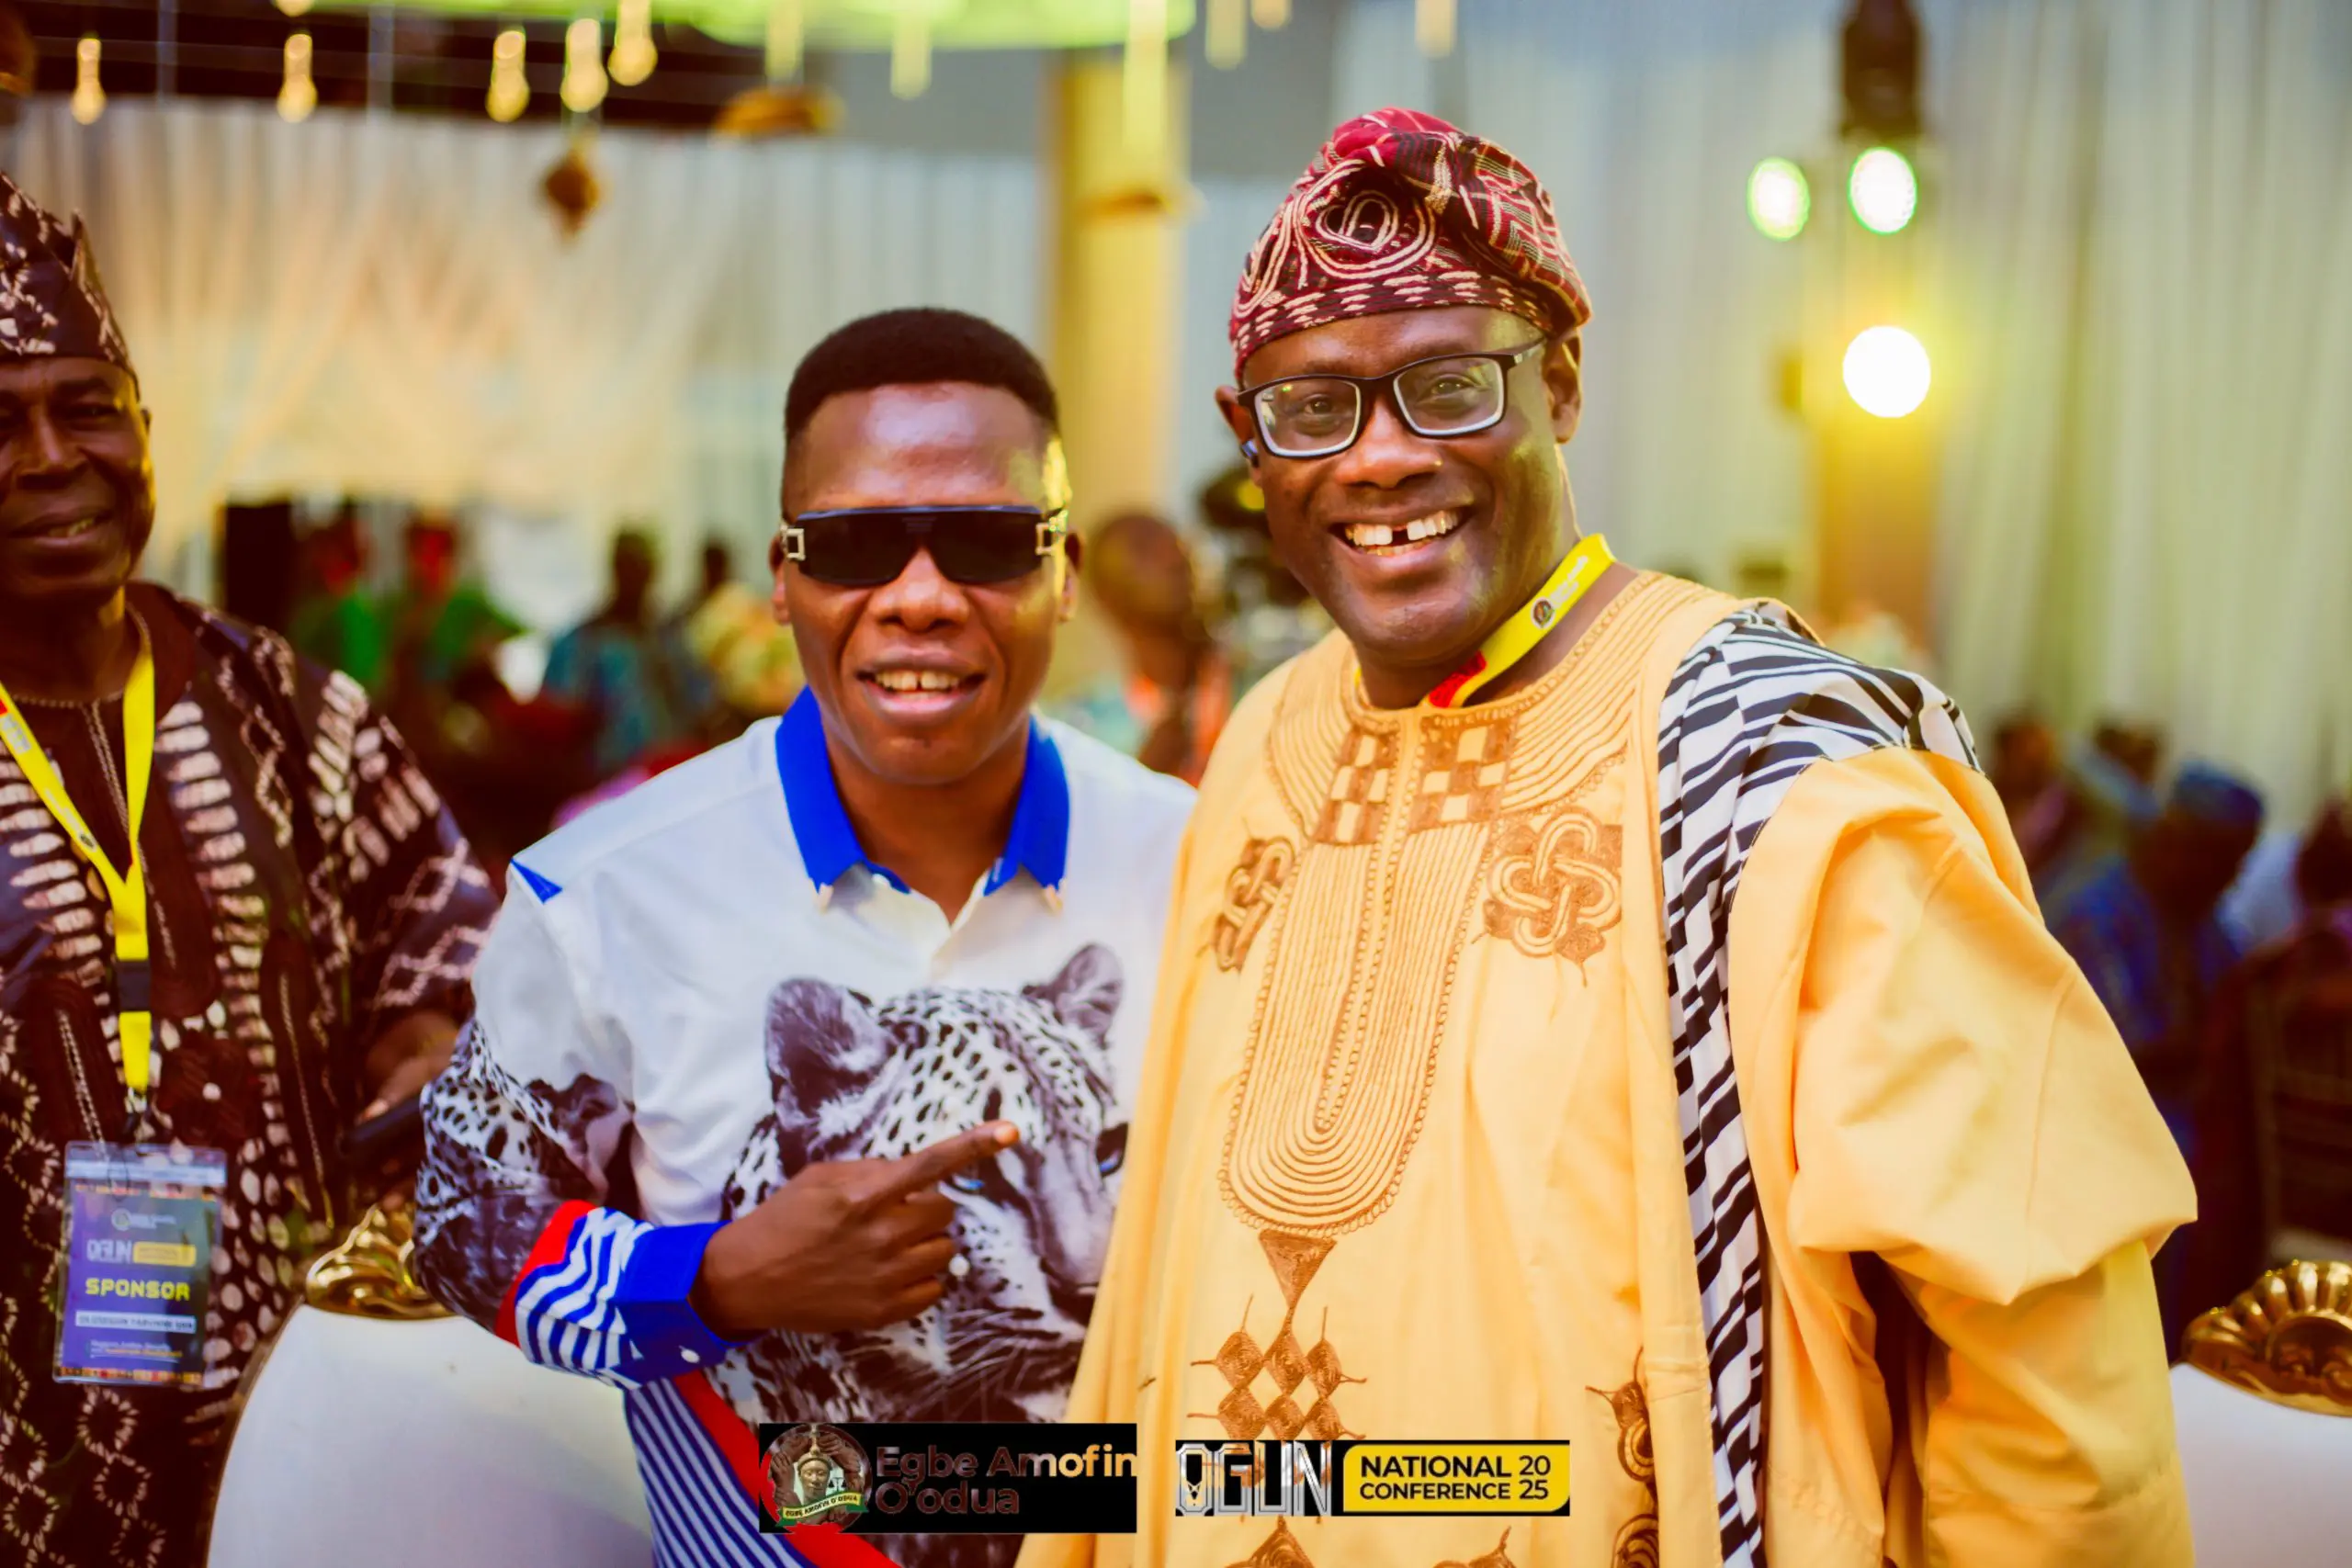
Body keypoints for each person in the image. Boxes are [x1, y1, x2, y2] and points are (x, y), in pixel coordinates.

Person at [1023, 110, 2192, 1568]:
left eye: (1448, 386)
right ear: (1251, 440)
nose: (1378, 458)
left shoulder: (1781, 763)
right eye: (1312, 408)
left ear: (1561, 382)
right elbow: (1160, 1268)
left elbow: (2043, 1345)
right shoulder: (1268, 737)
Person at [413, 307, 1196, 1568]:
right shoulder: (603, 895)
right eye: (855, 547)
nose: (921, 598)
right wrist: (712, 1281)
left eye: (988, 544)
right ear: (783, 580)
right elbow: (463, 1219)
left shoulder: (1209, 868)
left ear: (1064, 572)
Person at [0, 174, 496, 1568]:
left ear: (146, 430)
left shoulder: (287, 707)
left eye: (87, 406)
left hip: (307, 1439)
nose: (50, 457)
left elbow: (448, 923)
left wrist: (427, 1037)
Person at [1055, 511, 1233, 784]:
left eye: (1176, 544)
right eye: (1144, 550)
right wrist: (1146, 775)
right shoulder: (1083, 730)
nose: (1174, 559)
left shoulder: (1258, 678)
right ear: (1106, 594)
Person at [543, 525, 716, 780]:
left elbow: (702, 704)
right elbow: (558, 719)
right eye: (628, 567)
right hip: (608, 778)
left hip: (672, 772)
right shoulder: (584, 643)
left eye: (641, 568)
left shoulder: (670, 638)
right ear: (614, 569)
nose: (635, 578)